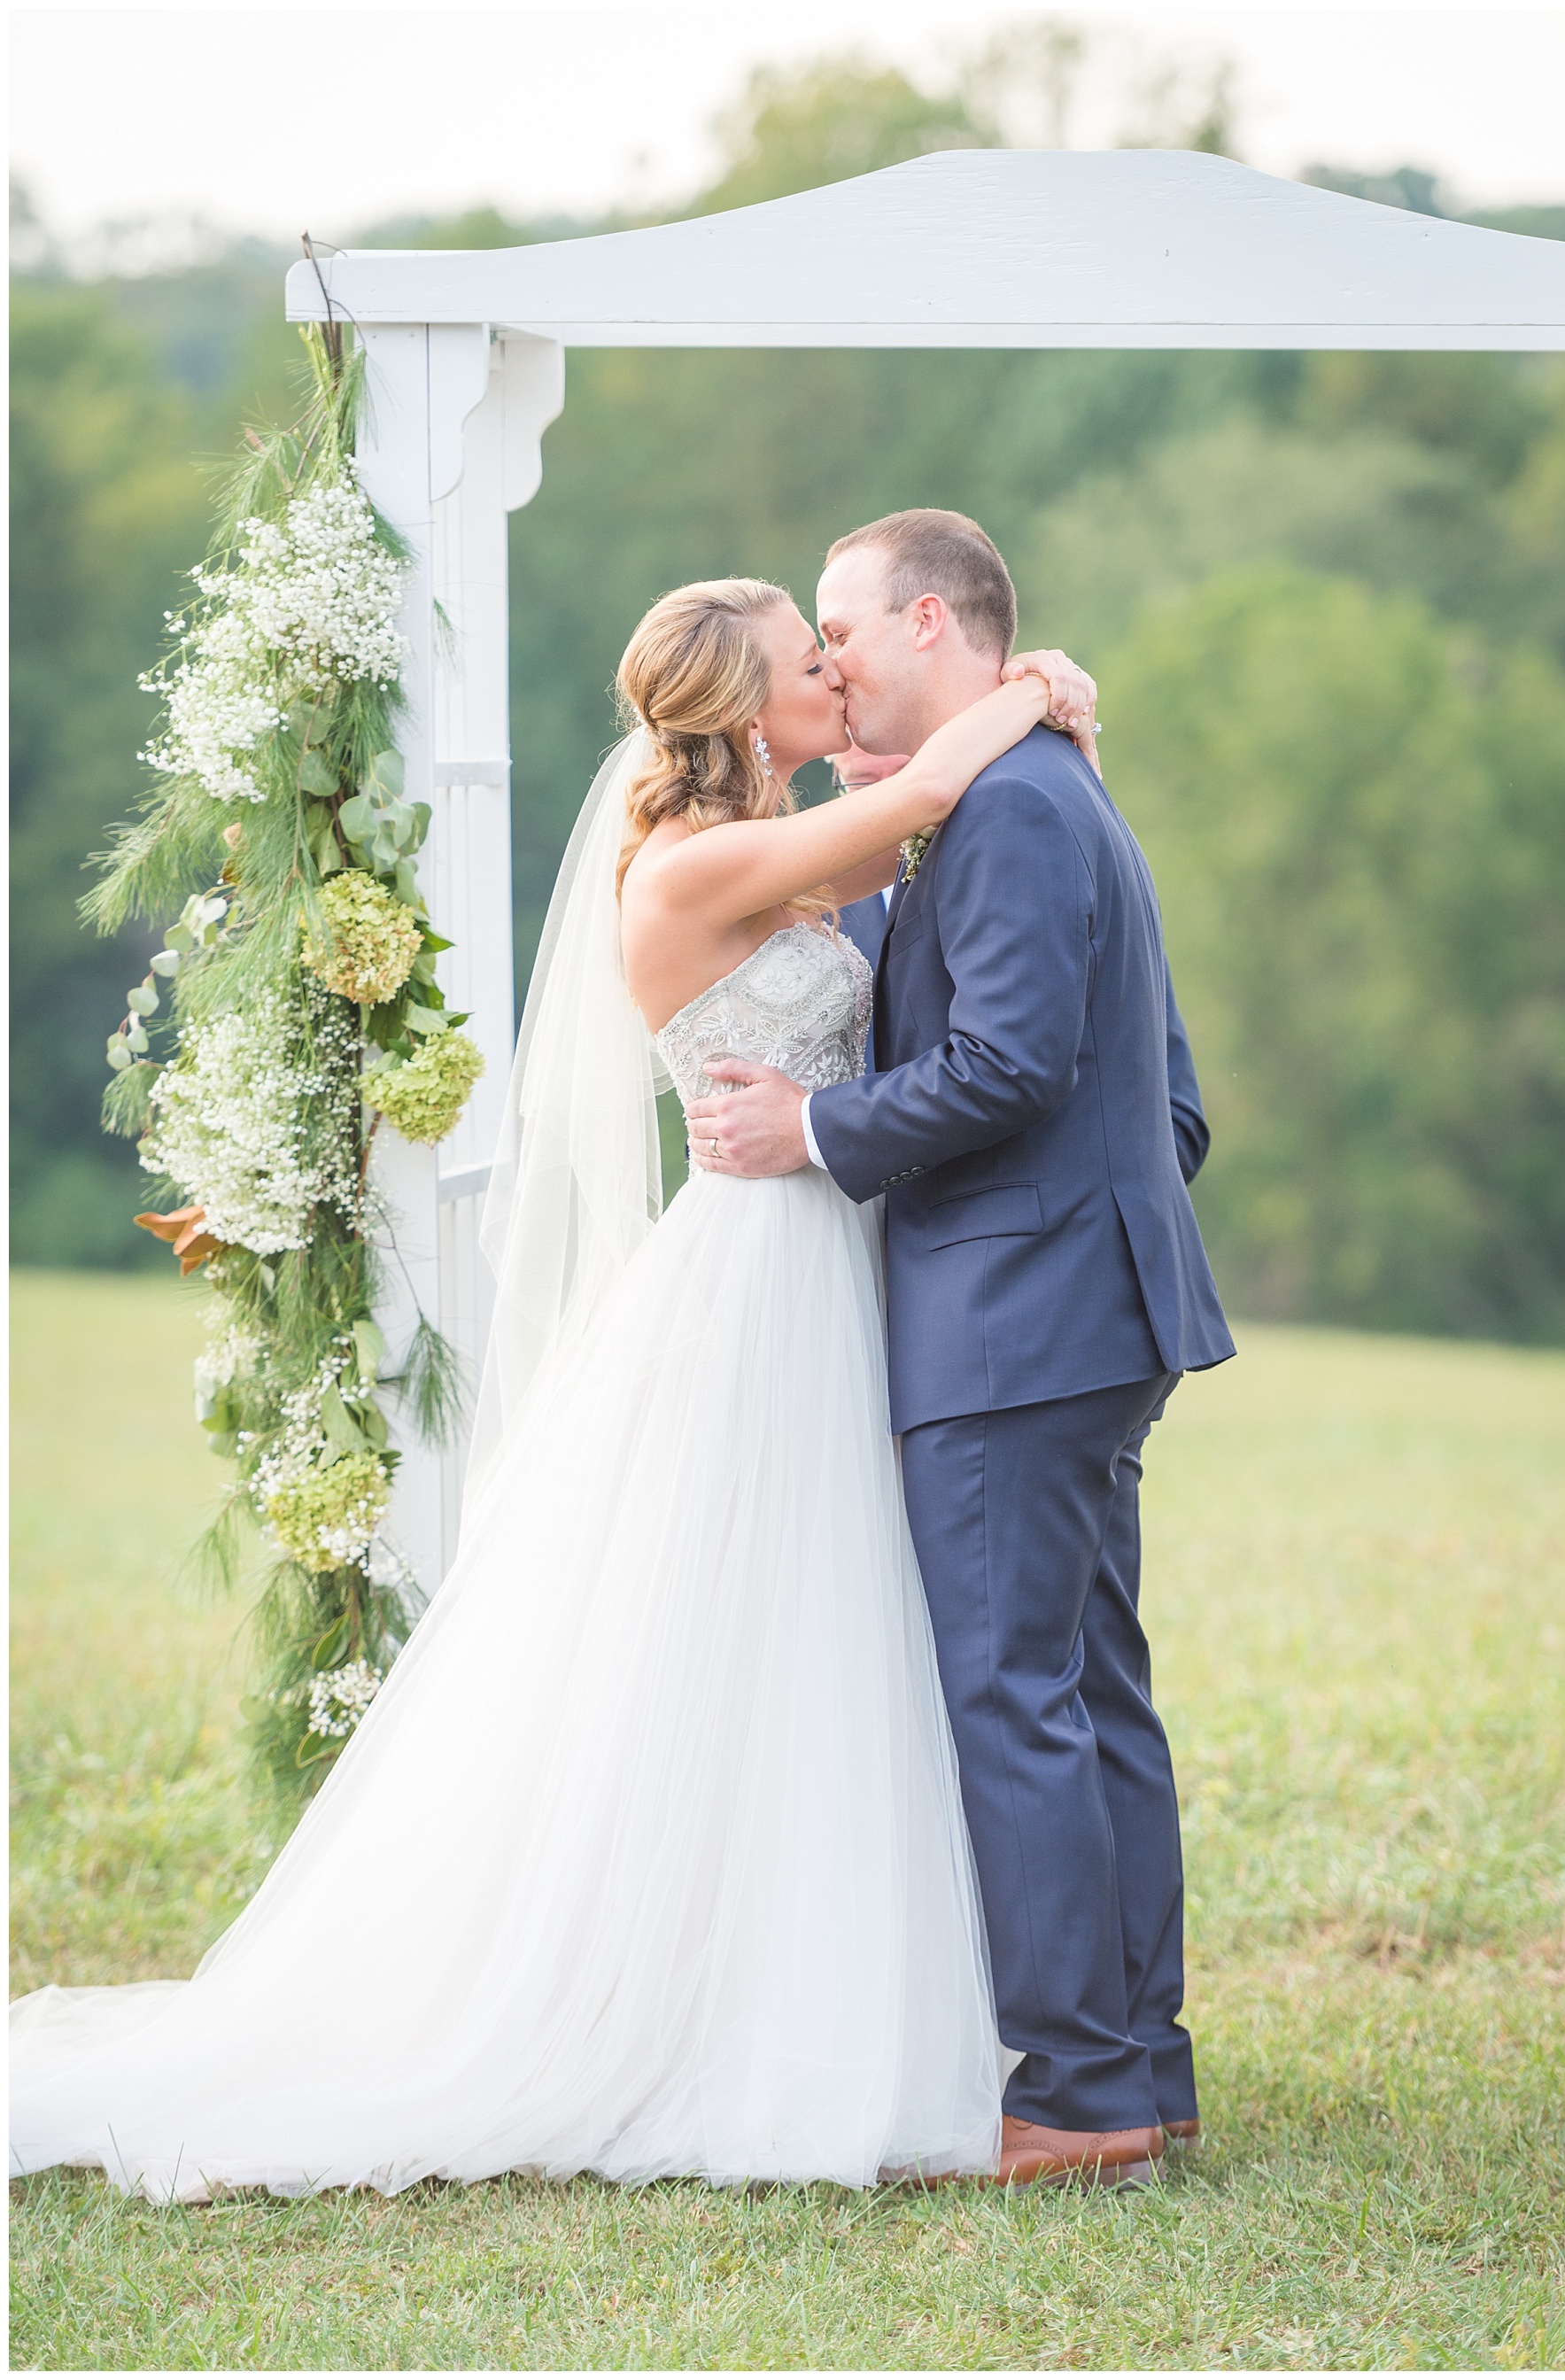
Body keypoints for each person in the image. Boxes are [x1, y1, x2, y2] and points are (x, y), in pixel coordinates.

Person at [10, 575, 1097, 2202]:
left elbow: (919, 829)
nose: (836, 676)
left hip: (821, 1256)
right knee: (744, 1620)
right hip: (755, 1275)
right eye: (812, 662)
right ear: (746, 709)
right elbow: (937, 791)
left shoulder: (772, 852)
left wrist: (994, 719)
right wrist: (1046, 680)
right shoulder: (695, 862)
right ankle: (695, 2010)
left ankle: (796, 1978)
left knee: (809, 1626)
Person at [686, 511, 1236, 2189]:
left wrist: (818, 1129)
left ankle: (1075, 2094)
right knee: (1087, 1693)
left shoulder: (1007, 807)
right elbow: (1171, 1101)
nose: (833, 662)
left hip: (1017, 1322)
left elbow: (1005, 1066)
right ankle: (1139, 2063)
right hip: (1080, 1307)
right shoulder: (1041, 789)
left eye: (845, 629)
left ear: (932, 621)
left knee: (1016, 1698)